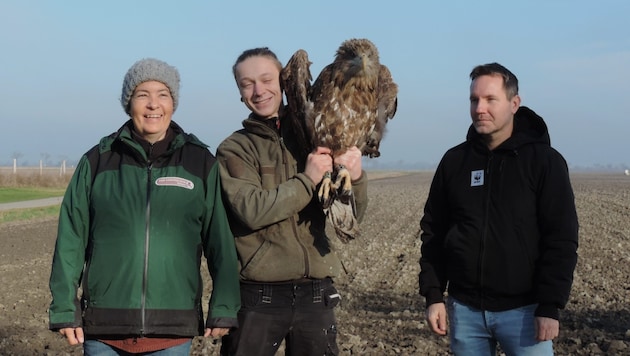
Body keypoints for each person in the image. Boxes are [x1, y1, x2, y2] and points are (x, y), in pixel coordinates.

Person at [48, 58, 240, 355]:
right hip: (103, 330)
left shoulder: (200, 162)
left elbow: (220, 242)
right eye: (142, 95)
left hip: (172, 331)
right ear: (129, 104)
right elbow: (71, 239)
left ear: (173, 103)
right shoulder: (97, 161)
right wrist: (64, 307)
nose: (153, 105)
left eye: (163, 94)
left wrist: (224, 304)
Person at [215, 47, 368, 356]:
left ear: (284, 83)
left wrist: (355, 175)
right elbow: (252, 211)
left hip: (316, 293)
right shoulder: (234, 149)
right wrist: (308, 179)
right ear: (240, 92)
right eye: (248, 84)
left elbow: (351, 215)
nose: (259, 91)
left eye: (266, 79)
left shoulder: (315, 137)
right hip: (259, 296)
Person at [418, 62, 579, 355]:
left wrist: (550, 305)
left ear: (514, 103)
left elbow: (561, 239)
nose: (480, 108)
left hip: (526, 313)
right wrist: (433, 295)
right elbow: (434, 233)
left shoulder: (545, 162)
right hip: (464, 311)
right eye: (474, 99)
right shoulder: (454, 162)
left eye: (491, 99)